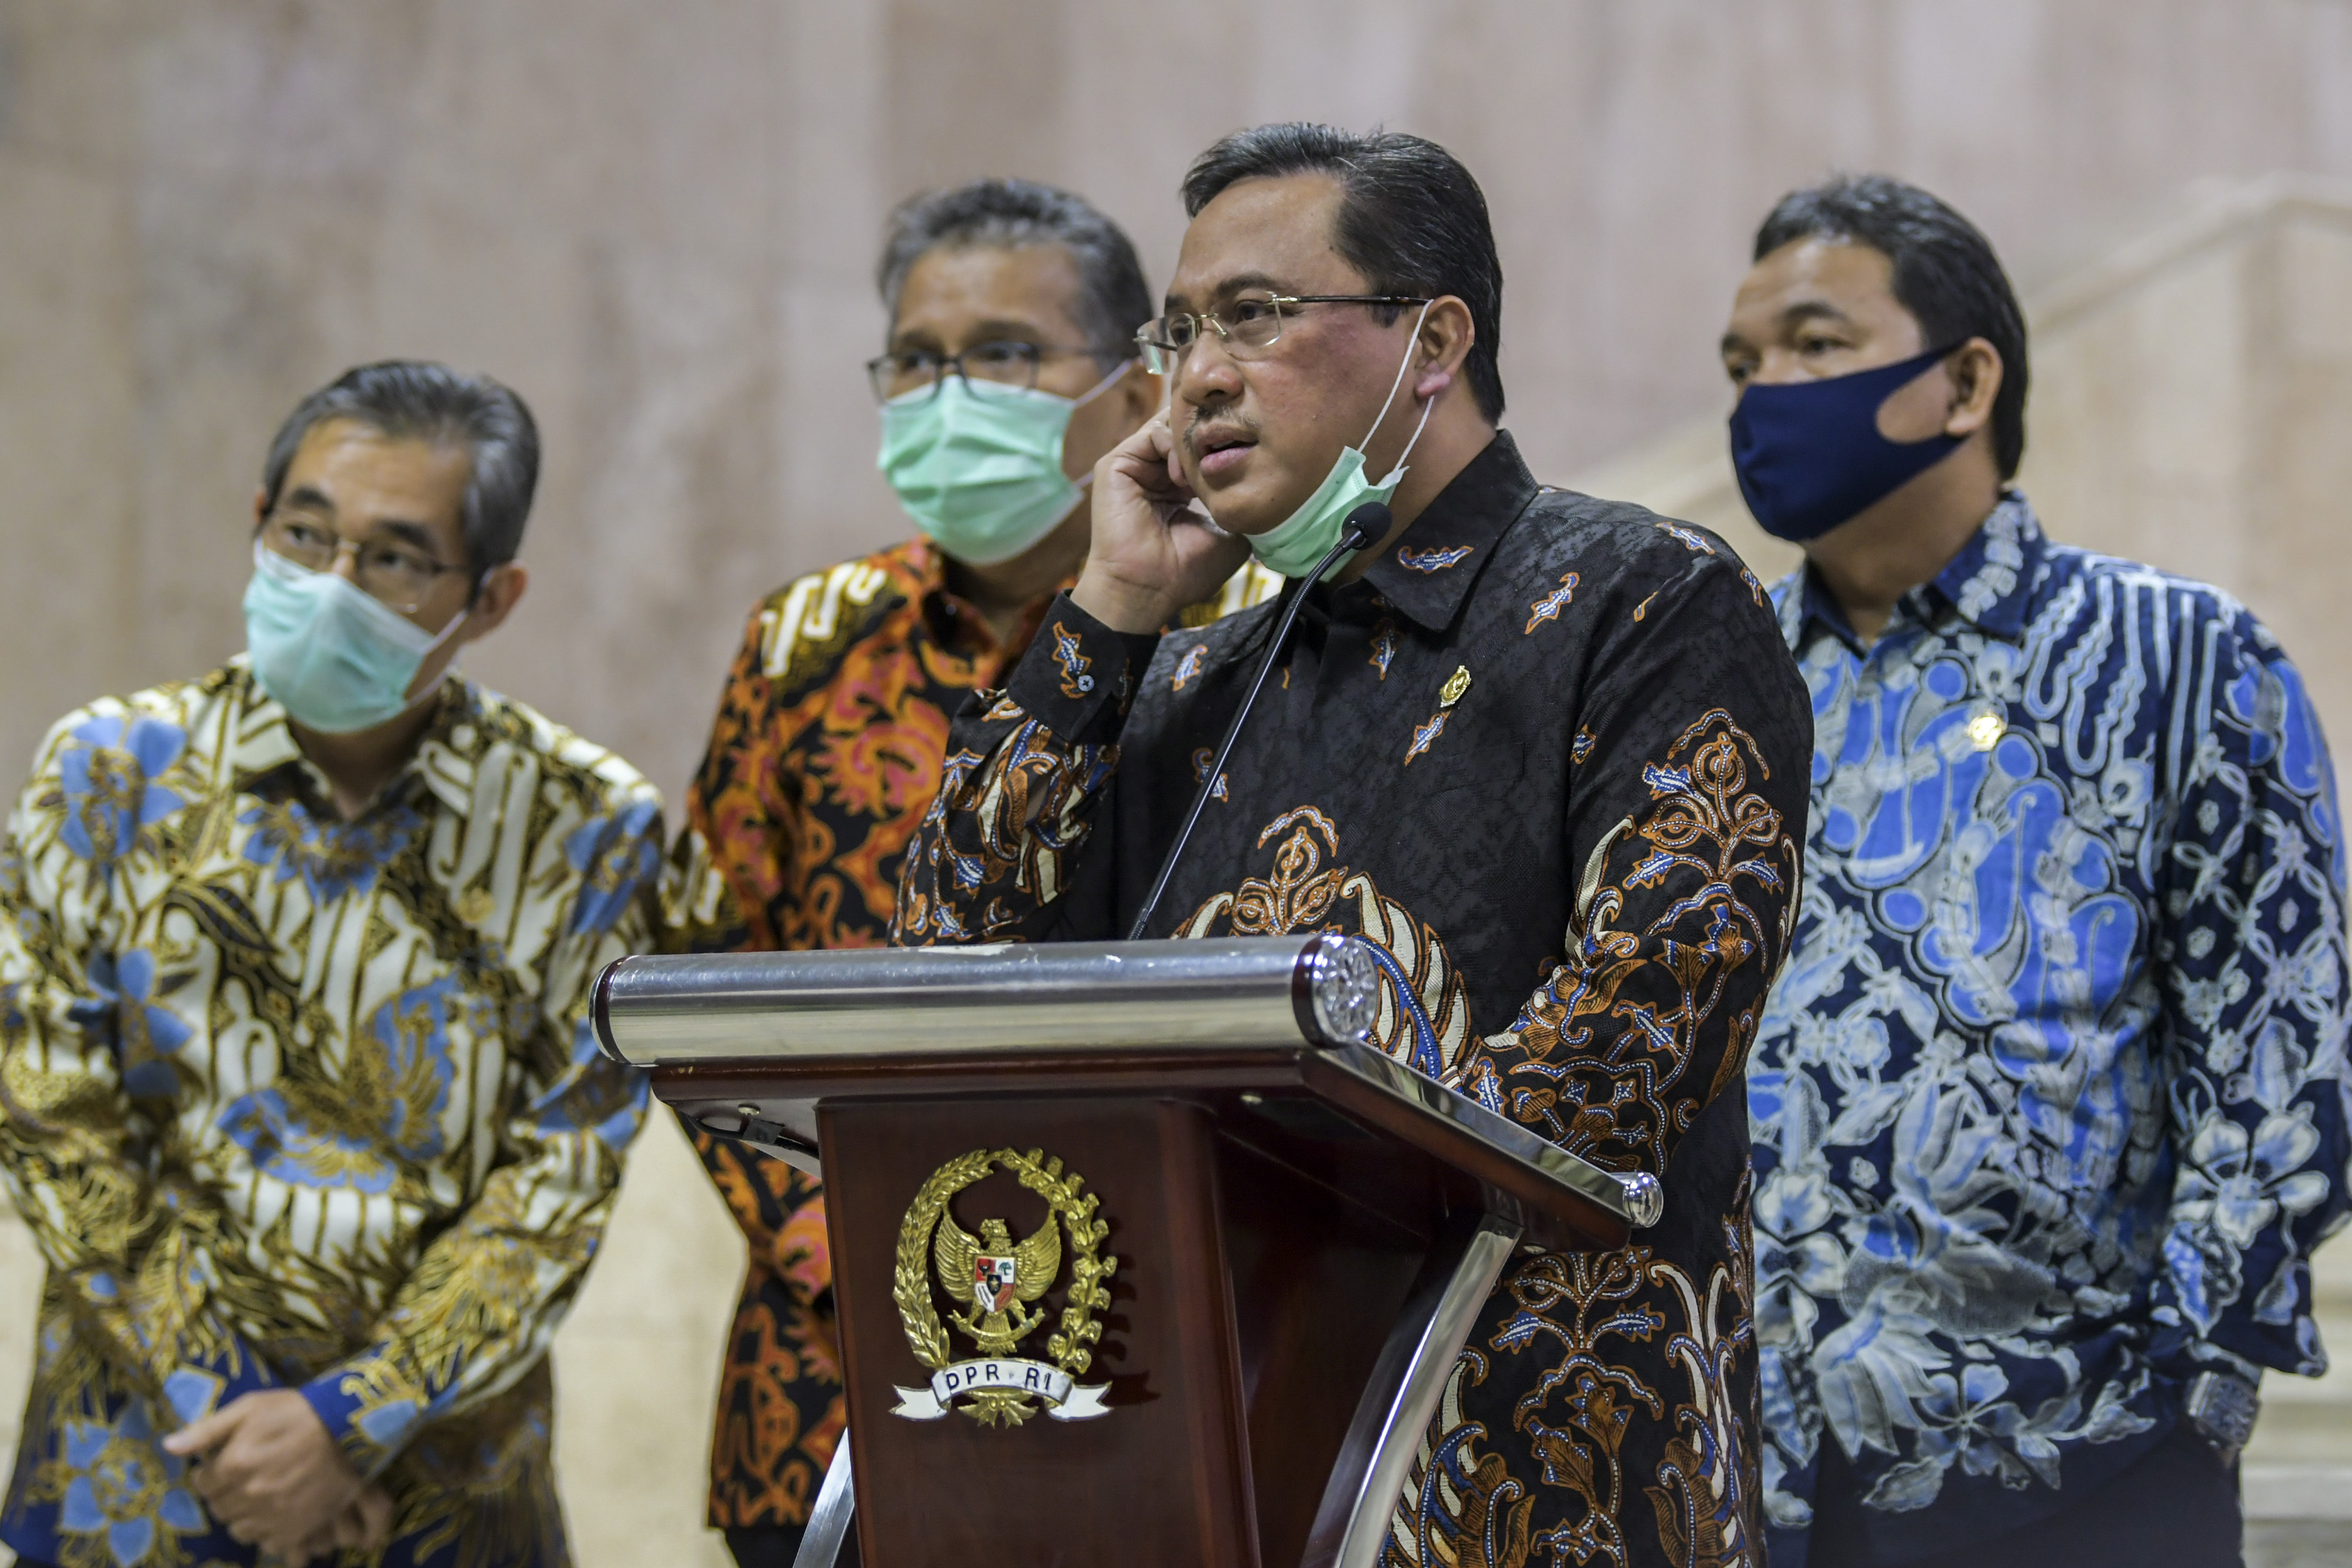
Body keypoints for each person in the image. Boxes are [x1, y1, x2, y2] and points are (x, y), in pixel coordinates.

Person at [890, 123, 1810, 1566]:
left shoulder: (1640, 605)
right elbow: (943, 970)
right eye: (1180, 326)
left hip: (1533, 1487)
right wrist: (1110, 603)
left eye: (1252, 316)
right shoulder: (1189, 675)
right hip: (1209, 1480)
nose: (1192, 376)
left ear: (1430, 338)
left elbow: (1615, 1074)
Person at [1729, 174, 2352, 1567]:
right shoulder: (1716, 680)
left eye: (1814, 344)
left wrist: (2187, 1374)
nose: (1766, 390)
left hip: (2080, 1460)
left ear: (1962, 380)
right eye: (1740, 364)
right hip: (1754, 1469)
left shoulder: (2179, 656)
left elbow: (2278, 1038)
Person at [664, 176, 1275, 1568]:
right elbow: (706, 983)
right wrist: (845, 1242)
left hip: (1173, 1348)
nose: (952, 392)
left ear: (1135, 383)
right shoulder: (804, 640)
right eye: (918, 359)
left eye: (1003, 353)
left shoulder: (1250, 626)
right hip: (826, 1371)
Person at [0, 362, 665, 1568]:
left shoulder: (584, 821)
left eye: (395, 558)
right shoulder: (108, 771)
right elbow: (49, 1114)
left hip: (447, 1485)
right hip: (141, 1465)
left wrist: (346, 1425)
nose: (330, 585)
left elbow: (559, 1173)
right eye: (305, 534)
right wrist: (238, 1415)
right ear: (258, 524)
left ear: (493, 597)